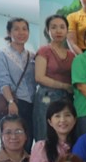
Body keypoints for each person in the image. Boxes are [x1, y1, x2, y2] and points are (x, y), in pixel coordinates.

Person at [0, 18, 36, 147]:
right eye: (16, 29)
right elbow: (1, 80)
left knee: (27, 143)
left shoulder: (32, 56)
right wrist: (11, 101)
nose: (21, 32)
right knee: (12, 143)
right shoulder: (2, 54)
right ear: (9, 32)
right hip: (12, 103)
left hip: (31, 105)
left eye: (24, 29)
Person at [32, 14, 75, 142]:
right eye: (54, 27)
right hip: (46, 98)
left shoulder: (71, 55)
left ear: (67, 30)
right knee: (45, 134)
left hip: (66, 98)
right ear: (48, 30)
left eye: (62, 27)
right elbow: (39, 77)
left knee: (66, 136)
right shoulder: (44, 51)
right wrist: (64, 86)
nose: (58, 31)